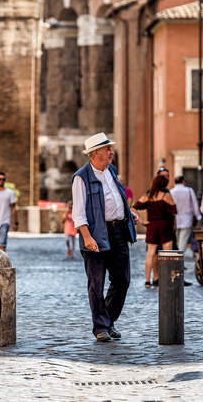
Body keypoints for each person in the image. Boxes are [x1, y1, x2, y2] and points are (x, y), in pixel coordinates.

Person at [71, 133, 138, 342]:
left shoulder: (111, 171)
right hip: (96, 234)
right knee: (96, 284)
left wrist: (128, 213)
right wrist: (87, 237)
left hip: (118, 232)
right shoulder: (81, 177)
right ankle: (101, 327)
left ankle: (107, 320)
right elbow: (78, 212)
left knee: (122, 280)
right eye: (108, 149)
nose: (112, 152)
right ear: (96, 153)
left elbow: (116, 197)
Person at [133, 175, 177, 288]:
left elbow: (133, 207)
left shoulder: (148, 196)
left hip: (152, 226)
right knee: (167, 254)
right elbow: (174, 211)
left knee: (150, 254)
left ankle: (147, 280)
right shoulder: (166, 195)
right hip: (165, 226)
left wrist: (142, 220)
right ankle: (167, 279)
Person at [170, 176, 202, 259]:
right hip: (186, 219)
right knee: (183, 241)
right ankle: (178, 260)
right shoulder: (188, 190)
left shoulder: (171, 192)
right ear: (183, 181)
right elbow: (194, 204)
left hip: (174, 220)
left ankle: (177, 260)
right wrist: (197, 217)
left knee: (177, 240)